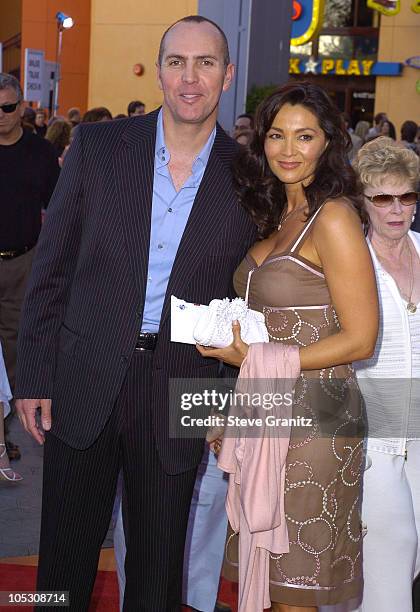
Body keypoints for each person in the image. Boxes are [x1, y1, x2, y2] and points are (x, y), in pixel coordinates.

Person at [14, 15, 256, 611]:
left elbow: (249, 298)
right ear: (161, 72)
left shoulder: (249, 176)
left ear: (226, 76)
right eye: (177, 62)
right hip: (85, 375)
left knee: (156, 572)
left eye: (205, 64)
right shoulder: (100, 148)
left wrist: (223, 401)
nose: (190, 78)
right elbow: (52, 271)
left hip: (179, 386)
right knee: (61, 565)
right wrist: (36, 376)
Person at [197, 81, 379, 611]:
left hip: (319, 421)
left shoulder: (334, 217)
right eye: (277, 135)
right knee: (269, 583)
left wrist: (253, 359)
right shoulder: (275, 214)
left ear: (328, 143)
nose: (288, 150)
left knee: (293, 590)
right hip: (267, 412)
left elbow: (361, 338)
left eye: (305, 136)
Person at [351, 137, 420, 612]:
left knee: (409, 560)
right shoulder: (353, 261)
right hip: (373, 437)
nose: (397, 209)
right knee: (390, 562)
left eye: (407, 197)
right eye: (383, 198)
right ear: (364, 202)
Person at [0, 73, 60, 460]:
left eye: (7, 107)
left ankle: (4, 435)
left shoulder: (40, 153)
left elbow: (59, 208)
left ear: (21, 107)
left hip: (22, 261)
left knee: (13, 348)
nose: (0, 115)